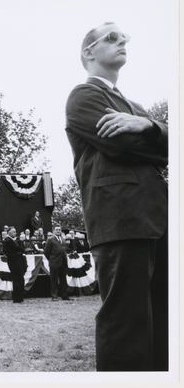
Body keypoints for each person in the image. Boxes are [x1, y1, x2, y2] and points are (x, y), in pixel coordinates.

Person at [66, 22, 168, 371]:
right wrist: (154, 135)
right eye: (112, 37)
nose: (123, 40)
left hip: (159, 219)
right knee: (127, 322)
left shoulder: (135, 107)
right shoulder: (84, 96)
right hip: (121, 220)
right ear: (88, 52)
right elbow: (119, 144)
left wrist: (149, 126)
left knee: (163, 319)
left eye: (125, 37)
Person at [43, 226, 70, 301]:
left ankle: (64, 295)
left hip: (63, 262)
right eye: (57, 230)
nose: (58, 231)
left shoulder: (63, 239)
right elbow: (46, 252)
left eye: (59, 230)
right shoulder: (50, 240)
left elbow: (64, 251)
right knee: (54, 280)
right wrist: (52, 259)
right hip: (54, 263)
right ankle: (54, 296)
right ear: (54, 231)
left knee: (63, 280)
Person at [3, 227, 27, 303]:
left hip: (20, 261)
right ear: (9, 232)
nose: (15, 233)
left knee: (21, 279)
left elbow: (23, 249)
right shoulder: (7, 241)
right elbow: (8, 251)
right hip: (13, 262)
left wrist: (18, 250)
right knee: (16, 280)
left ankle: (21, 296)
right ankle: (16, 298)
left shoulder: (17, 240)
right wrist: (18, 250)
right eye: (13, 231)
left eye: (15, 231)